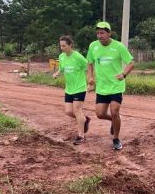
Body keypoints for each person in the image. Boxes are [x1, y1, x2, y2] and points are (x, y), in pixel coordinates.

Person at [87, 21, 134, 150]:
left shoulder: (119, 47)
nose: (99, 35)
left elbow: (130, 63)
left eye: (102, 33)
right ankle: (114, 121)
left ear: (109, 33)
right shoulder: (93, 46)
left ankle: (116, 139)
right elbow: (89, 63)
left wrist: (123, 74)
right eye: (97, 33)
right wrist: (90, 77)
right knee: (100, 114)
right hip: (102, 87)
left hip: (116, 86)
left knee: (114, 111)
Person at [53, 35, 90, 145]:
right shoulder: (61, 56)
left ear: (70, 45)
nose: (62, 48)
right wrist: (57, 73)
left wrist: (91, 81)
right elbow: (62, 68)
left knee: (77, 111)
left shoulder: (78, 57)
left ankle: (81, 136)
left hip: (79, 87)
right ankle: (84, 120)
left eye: (64, 46)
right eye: (61, 46)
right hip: (69, 89)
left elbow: (89, 67)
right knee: (68, 111)